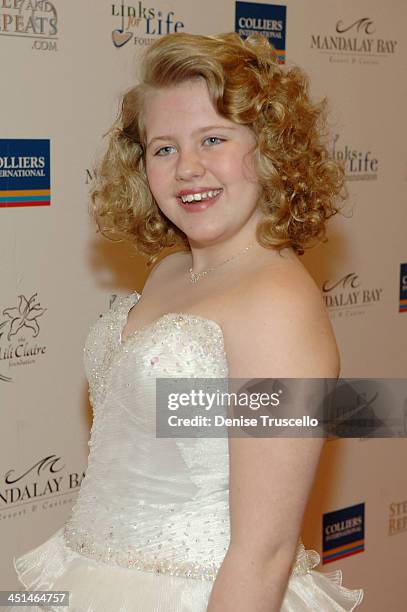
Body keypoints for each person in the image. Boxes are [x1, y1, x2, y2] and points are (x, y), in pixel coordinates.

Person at [11, 32, 364, 611]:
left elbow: (265, 551)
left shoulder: (278, 304)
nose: (188, 168)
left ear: (270, 146)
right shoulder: (170, 270)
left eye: (214, 138)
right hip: (91, 573)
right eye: (164, 148)